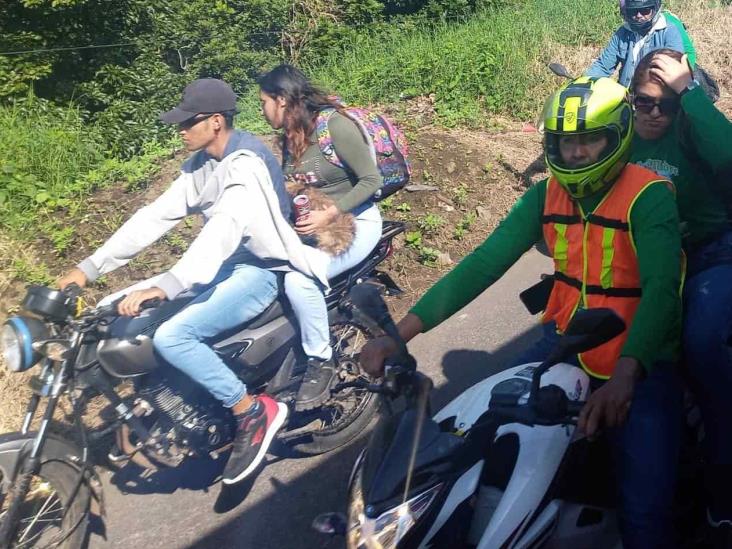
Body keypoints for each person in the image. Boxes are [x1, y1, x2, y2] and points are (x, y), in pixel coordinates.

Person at [362, 77, 685, 548]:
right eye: (563, 143)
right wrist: (400, 334)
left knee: (643, 506)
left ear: (618, 136)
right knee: (470, 432)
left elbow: (661, 290)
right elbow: (483, 264)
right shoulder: (545, 195)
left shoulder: (648, 194)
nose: (574, 154)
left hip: (641, 354)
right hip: (566, 342)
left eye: (588, 140)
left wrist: (626, 377)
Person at [58, 78, 330, 485]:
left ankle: (252, 412)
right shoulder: (201, 165)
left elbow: (222, 228)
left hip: (265, 268)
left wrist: (169, 284)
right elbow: (154, 216)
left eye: (189, 122)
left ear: (216, 121)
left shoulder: (246, 164)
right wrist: (90, 268)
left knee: (173, 337)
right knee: (111, 309)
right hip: (228, 263)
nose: (180, 130)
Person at [629, 48, 732, 542]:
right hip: (652, 259)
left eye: (664, 104)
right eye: (642, 102)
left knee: (702, 345)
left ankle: (723, 490)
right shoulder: (623, 134)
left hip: (712, 254)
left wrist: (688, 91)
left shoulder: (693, 128)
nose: (652, 114)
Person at [258, 65, 384, 411]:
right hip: (312, 228)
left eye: (264, 102)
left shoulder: (334, 127)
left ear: (281, 100)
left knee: (301, 282)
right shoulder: (288, 138)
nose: (261, 110)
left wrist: (331, 212)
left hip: (356, 223)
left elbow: (371, 181)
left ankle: (320, 361)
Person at [585, 0, 685, 87]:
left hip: (656, 98)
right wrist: (583, 83)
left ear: (655, 9)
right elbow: (603, 66)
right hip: (626, 97)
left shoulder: (669, 31)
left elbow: (674, 70)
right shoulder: (622, 33)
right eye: (633, 11)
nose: (638, 15)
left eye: (645, 11)